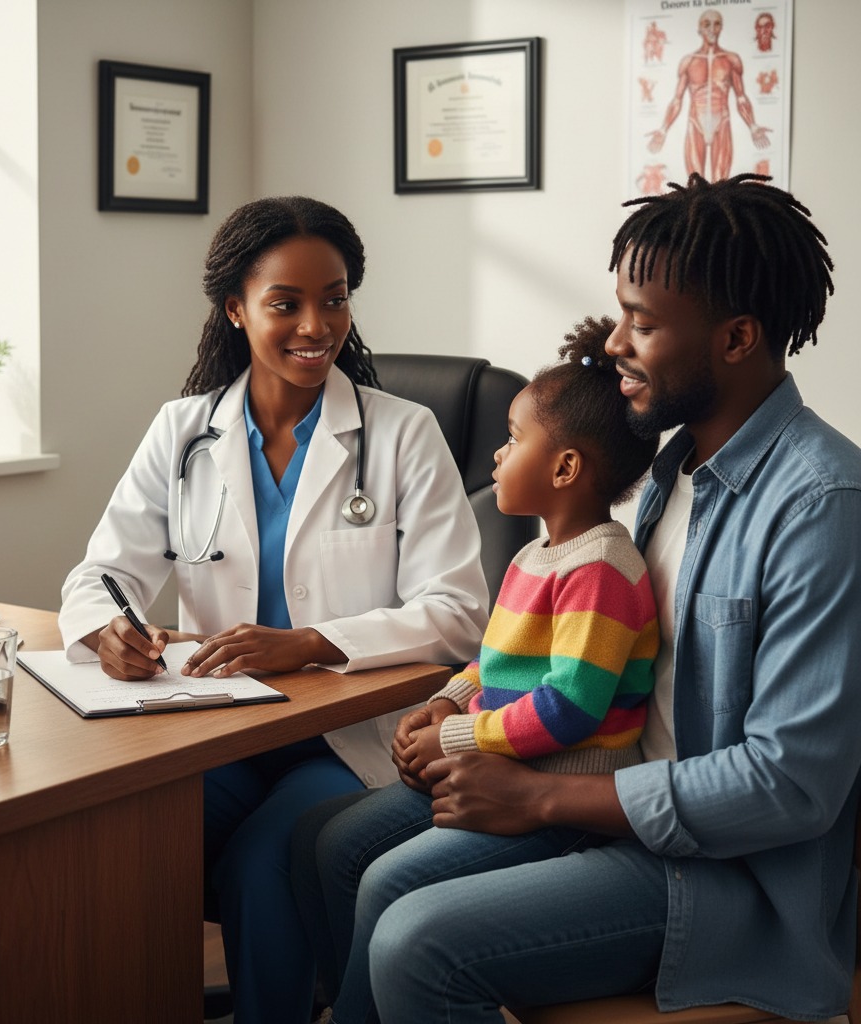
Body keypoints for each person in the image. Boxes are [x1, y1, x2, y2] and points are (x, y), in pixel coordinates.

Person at [293, 174, 861, 1024]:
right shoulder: (675, 469)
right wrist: (468, 719)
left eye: (645, 323)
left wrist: (543, 798)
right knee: (333, 849)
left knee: (416, 938)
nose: (620, 343)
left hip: (720, 879)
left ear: (737, 337)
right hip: (610, 796)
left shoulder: (822, 504)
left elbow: (787, 785)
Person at [57, 196, 489, 1024]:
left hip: (347, 736)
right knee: (113, 831)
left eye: (333, 298)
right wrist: (106, 628)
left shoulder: (403, 434)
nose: (315, 325)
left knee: (265, 860)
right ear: (235, 309)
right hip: (220, 725)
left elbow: (460, 612)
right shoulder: (184, 433)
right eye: (284, 303)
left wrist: (310, 643)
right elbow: (100, 573)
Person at [294, 315, 660, 1024]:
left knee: (383, 882)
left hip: (554, 795)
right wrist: (445, 702)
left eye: (514, 439)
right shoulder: (532, 556)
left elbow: (570, 708)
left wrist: (457, 740)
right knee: (322, 837)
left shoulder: (603, 568)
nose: (495, 456)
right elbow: (491, 657)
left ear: (565, 468)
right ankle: (352, 1002)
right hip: (495, 762)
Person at [647, 10, 770, 181]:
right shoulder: (688, 61)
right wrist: (663, 129)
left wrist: (753, 127)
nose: (712, 29)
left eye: (717, 24)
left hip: (722, 123)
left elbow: (741, 97)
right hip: (695, 124)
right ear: (699, 29)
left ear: (721, 28)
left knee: (721, 187)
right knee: (695, 188)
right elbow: (677, 99)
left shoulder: (731, 59)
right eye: (707, 24)